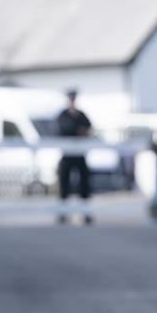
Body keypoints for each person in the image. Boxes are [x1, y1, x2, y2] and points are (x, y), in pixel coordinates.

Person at [56, 89, 93, 225]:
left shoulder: (81, 115)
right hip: (67, 154)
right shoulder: (63, 115)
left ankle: (86, 213)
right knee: (64, 184)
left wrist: (79, 131)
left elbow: (88, 129)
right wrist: (77, 130)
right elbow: (62, 130)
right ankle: (63, 214)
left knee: (84, 184)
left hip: (79, 154)